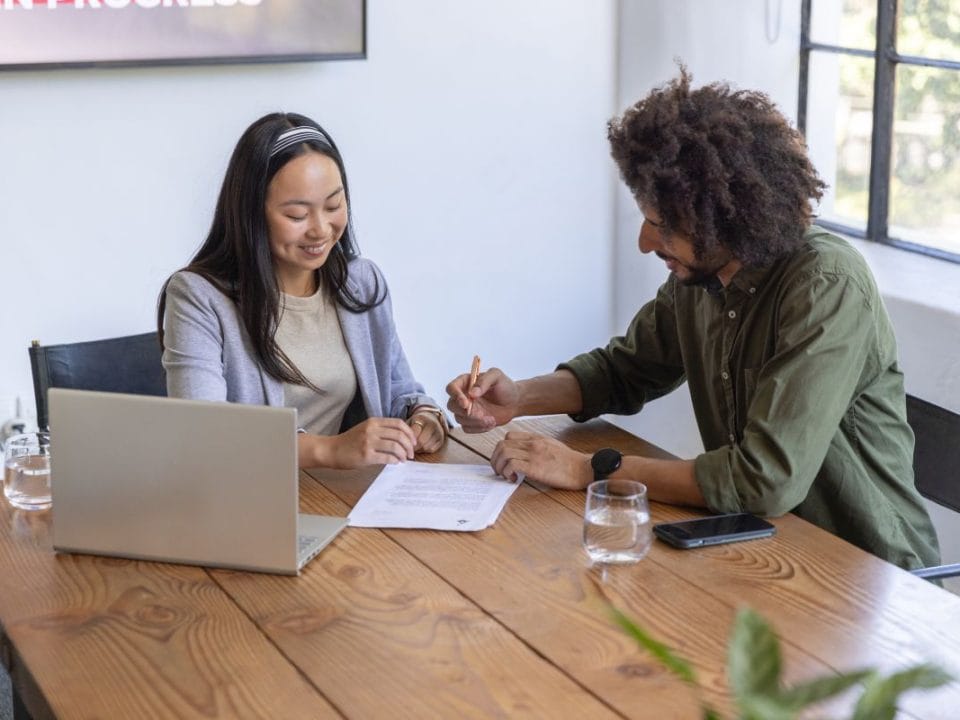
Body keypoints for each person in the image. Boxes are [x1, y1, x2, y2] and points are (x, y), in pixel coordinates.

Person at [446, 69, 939, 570]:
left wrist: (593, 471)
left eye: (661, 225)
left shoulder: (825, 285)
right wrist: (519, 398)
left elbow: (762, 480)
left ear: (726, 217)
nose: (644, 242)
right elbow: (624, 370)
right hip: (763, 553)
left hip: (872, 577)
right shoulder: (702, 280)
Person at [159, 112, 446, 470]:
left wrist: (425, 417)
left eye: (333, 205)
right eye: (297, 215)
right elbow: (203, 435)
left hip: (348, 497)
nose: (321, 230)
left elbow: (401, 393)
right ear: (251, 214)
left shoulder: (361, 282)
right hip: (250, 500)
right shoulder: (198, 297)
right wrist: (329, 450)